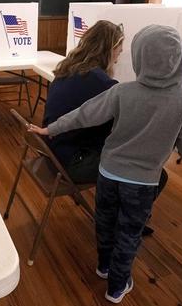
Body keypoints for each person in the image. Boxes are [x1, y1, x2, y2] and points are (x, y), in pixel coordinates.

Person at [30, 24, 182, 304]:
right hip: (143, 181)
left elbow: (83, 115)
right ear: (181, 59)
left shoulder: (122, 92)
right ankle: (116, 288)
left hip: (107, 173)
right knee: (129, 234)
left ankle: (103, 266)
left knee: (105, 222)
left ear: (138, 56)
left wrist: (50, 130)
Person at [43, 20, 124, 184]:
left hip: (50, 150)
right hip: (72, 162)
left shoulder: (67, 67)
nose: (120, 52)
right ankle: (117, 208)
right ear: (109, 49)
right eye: (118, 48)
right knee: (153, 172)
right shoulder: (102, 83)